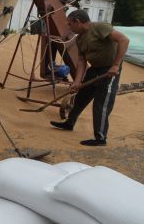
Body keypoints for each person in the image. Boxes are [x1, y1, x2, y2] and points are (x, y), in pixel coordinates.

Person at [50, 9, 129, 146]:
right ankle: (69, 123)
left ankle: (100, 138)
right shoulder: (80, 38)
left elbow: (124, 40)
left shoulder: (99, 27)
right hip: (95, 69)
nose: (69, 27)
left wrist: (116, 65)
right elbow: (81, 61)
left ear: (78, 22)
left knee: (101, 103)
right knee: (81, 96)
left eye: (70, 24)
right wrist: (77, 81)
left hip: (109, 69)